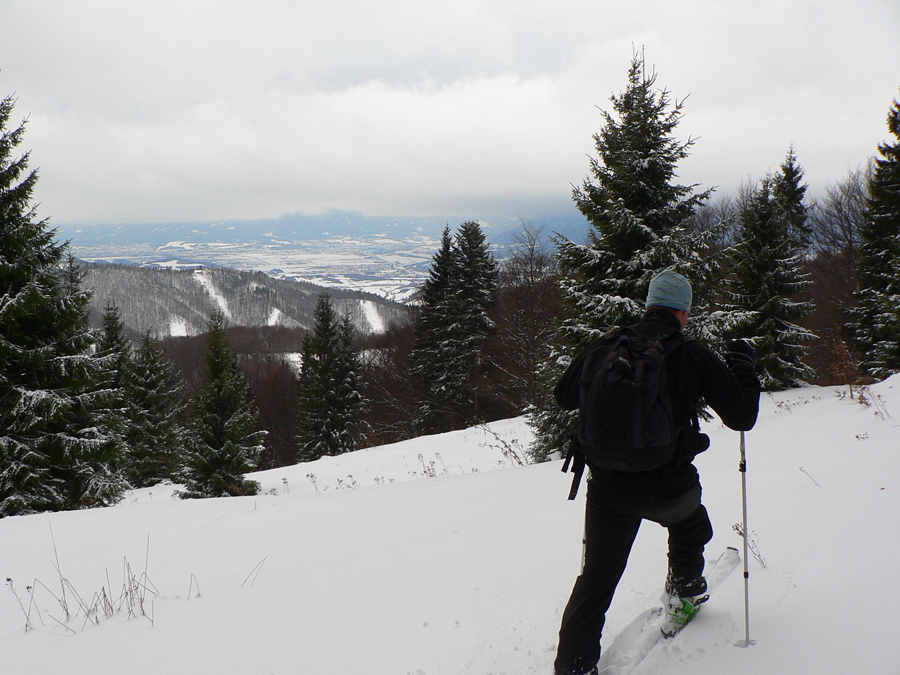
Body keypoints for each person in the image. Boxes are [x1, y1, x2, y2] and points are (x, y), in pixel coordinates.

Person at [552, 269, 760, 675]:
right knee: (691, 525)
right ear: (683, 312)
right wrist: (744, 368)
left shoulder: (608, 343)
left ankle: (573, 667)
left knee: (597, 578)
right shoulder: (690, 352)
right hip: (668, 485)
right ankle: (684, 591)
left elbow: (563, 396)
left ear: (648, 305)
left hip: (608, 488)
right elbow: (741, 417)